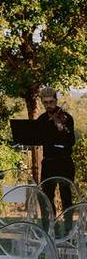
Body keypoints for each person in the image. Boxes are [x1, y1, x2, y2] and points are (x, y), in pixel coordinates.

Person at [38, 87, 76, 215]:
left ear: (56, 100)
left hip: (64, 161)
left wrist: (63, 129)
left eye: (51, 102)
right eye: (46, 103)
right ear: (42, 103)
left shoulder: (66, 118)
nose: (49, 105)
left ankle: (68, 229)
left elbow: (72, 141)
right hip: (48, 162)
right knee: (45, 198)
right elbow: (36, 138)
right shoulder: (42, 120)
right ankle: (49, 227)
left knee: (66, 197)